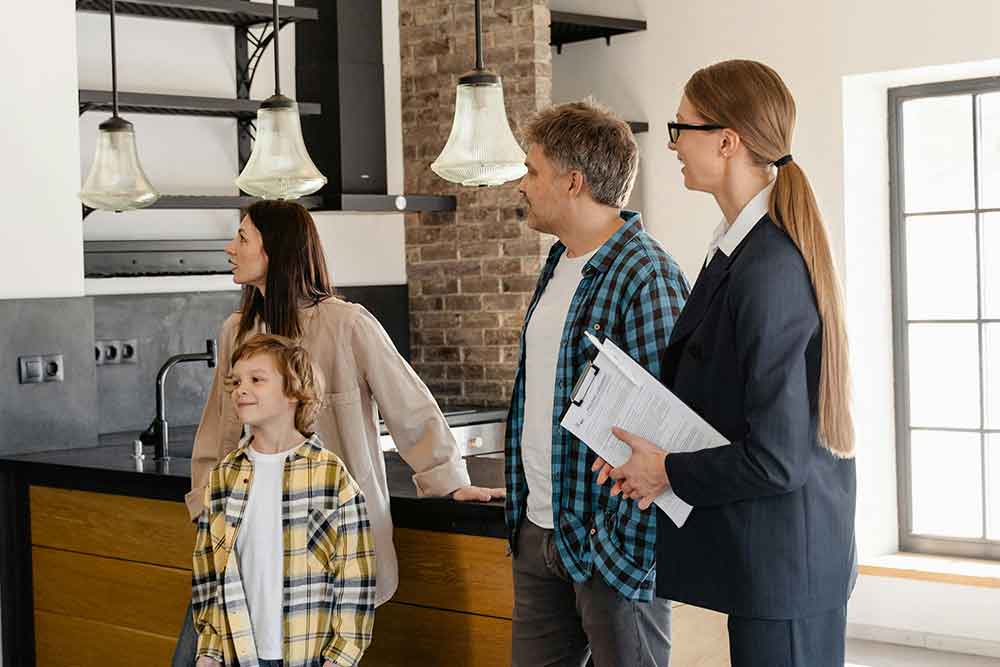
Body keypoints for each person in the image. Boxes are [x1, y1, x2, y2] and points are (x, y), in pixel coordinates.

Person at [594, 60, 857, 667]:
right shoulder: (738, 253)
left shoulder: (766, 268)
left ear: (727, 141)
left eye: (680, 126)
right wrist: (647, 458)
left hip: (784, 567)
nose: (672, 144)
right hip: (770, 563)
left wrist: (667, 472)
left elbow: (776, 458)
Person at [174, 200, 504, 665]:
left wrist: (449, 481)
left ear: (276, 250)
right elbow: (219, 429)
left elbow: (410, 406)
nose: (230, 248)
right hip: (242, 545)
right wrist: (205, 507)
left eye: (243, 238)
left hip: (323, 546)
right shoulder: (237, 330)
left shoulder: (346, 323)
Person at [505, 100, 689, 667]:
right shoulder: (558, 262)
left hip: (610, 544)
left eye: (533, 171)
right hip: (541, 530)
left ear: (573, 181)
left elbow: (667, 425)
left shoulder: (647, 273)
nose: (521, 185)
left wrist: (622, 540)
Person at [193, 334, 374, 667]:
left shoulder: (330, 475)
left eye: (256, 380)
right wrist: (209, 650)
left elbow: (354, 575)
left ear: (294, 391)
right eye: (236, 382)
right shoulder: (223, 476)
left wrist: (342, 657)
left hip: (310, 656)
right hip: (239, 654)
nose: (240, 389)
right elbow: (208, 571)